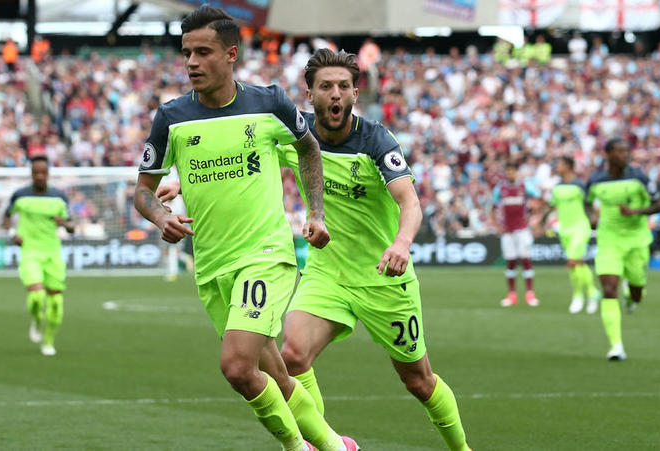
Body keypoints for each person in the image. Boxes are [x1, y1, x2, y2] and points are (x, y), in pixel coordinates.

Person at [133, 6, 356, 451]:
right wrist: (161, 217)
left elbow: (309, 149)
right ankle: (335, 445)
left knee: (236, 367)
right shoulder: (172, 118)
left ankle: (299, 448)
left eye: (203, 52)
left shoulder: (268, 103)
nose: (192, 62)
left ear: (231, 54)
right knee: (272, 373)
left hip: (266, 256)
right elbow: (142, 190)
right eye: (186, 53)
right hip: (213, 267)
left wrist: (316, 213)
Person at [278, 48, 471, 451]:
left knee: (418, 381)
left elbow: (410, 203)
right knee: (292, 357)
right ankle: (327, 443)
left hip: (385, 278)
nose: (336, 94)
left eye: (344, 87)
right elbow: (244, 152)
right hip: (327, 272)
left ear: (355, 93)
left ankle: (461, 449)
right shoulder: (296, 135)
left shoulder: (376, 139)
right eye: (326, 87)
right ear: (309, 94)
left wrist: (401, 243)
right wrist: (179, 180)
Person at [586, 138, 660, 361]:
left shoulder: (639, 177)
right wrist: (591, 216)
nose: (625, 155)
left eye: (626, 151)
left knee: (637, 290)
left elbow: (659, 205)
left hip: (636, 241)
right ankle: (616, 346)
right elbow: (587, 201)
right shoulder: (596, 180)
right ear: (608, 154)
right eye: (619, 151)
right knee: (609, 288)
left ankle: (632, 296)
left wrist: (636, 212)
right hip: (608, 240)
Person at [3, 155, 73, 356]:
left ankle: (48, 341)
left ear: (48, 174)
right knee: (36, 296)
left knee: (56, 304)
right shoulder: (20, 195)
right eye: (36, 173)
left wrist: (64, 224)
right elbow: (6, 217)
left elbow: (72, 226)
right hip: (30, 251)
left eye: (43, 173)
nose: (40, 176)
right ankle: (36, 319)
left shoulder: (59, 197)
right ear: (31, 174)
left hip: (52, 252)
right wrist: (12, 233)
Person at [546, 156, 601, 314]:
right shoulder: (556, 188)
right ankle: (589, 294)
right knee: (576, 265)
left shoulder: (579, 186)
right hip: (565, 229)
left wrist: (596, 218)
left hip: (580, 227)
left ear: (569, 167)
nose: (557, 166)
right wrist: (541, 221)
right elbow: (552, 206)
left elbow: (590, 204)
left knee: (574, 260)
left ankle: (583, 295)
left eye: (560, 164)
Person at [492, 161, 541, 307]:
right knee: (511, 262)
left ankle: (530, 293)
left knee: (526, 260)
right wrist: (497, 225)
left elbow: (539, 199)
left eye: (512, 171)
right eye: (507, 171)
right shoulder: (500, 188)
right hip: (507, 231)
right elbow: (492, 207)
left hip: (522, 230)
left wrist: (533, 218)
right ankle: (512, 295)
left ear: (516, 172)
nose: (510, 174)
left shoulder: (524, 186)